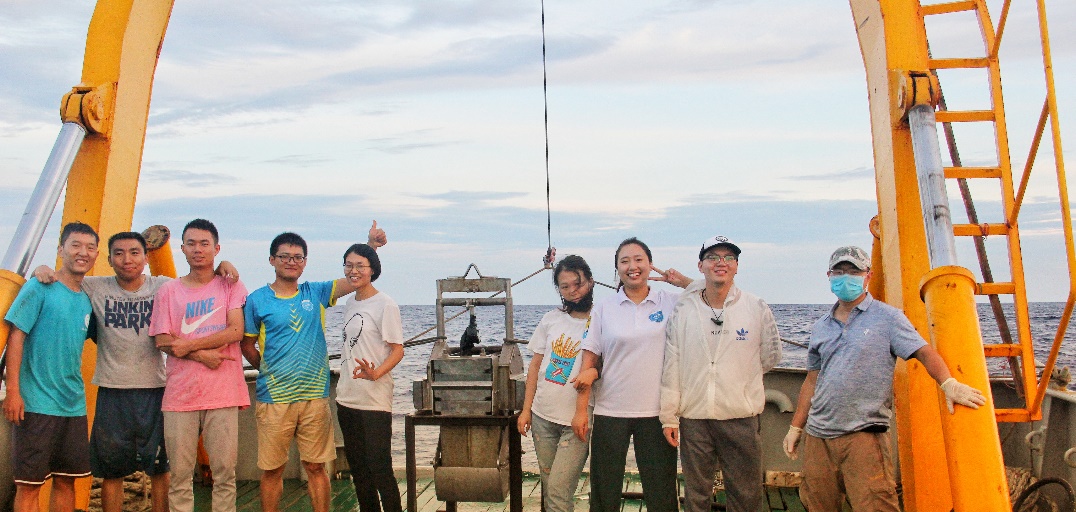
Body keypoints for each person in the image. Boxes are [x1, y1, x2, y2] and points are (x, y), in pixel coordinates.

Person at [32, 232, 239, 512]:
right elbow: (64, 279)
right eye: (118, 253)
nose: (126, 259)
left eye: (134, 252)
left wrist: (223, 264)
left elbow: (198, 279)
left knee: (161, 469)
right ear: (108, 259)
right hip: (112, 391)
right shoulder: (96, 287)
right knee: (112, 471)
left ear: (146, 258)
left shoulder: (164, 286)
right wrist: (41, 269)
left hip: (155, 390)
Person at [782, 246, 987, 511]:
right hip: (818, 436)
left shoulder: (888, 318)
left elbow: (924, 352)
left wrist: (949, 383)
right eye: (839, 271)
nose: (845, 277)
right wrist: (796, 428)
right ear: (829, 276)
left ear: (867, 276)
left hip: (864, 436)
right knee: (817, 504)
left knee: (876, 505)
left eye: (853, 271)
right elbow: (812, 380)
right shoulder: (821, 326)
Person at [240, 223, 386, 512]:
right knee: (272, 470)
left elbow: (354, 280)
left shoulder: (315, 292)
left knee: (316, 467)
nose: (291, 262)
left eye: (298, 257)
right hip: (274, 400)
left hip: (314, 398)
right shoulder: (257, 300)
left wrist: (371, 246)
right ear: (272, 260)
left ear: (305, 263)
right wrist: (268, 369)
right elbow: (247, 345)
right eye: (284, 256)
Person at [660, 236, 782, 512]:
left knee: (745, 494)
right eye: (713, 257)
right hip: (694, 418)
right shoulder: (684, 309)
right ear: (701, 265)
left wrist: (738, 381)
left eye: (728, 257)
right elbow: (672, 364)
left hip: (741, 418)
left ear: (737, 265)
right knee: (696, 495)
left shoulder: (755, 307)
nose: (721, 263)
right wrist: (668, 416)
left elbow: (771, 356)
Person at [574, 237, 690, 512]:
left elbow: (712, 295)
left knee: (661, 492)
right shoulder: (605, 307)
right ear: (617, 269)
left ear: (650, 264)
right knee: (604, 492)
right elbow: (589, 358)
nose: (632, 266)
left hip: (657, 412)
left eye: (639, 259)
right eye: (624, 261)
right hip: (610, 410)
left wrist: (682, 281)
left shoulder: (671, 302)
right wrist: (580, 410)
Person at [149, 219, 248, 512]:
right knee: (180, 476)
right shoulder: (168, 291)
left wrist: (190, 345)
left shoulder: (230, 285)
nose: (198, 249)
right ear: (182, 249)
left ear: (216, 249)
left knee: (225, 474)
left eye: (205, 243)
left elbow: (236, 331)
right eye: (191, 243)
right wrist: (201, 355)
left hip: (223, 393)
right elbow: (162, 340)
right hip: (180, 395)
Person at [3, 222, 99, 512]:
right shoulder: (39, 287)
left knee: (67, 481)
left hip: (73, 406)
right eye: (75, 245)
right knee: (29, 485)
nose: (83, 252)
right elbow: (16, 337)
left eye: (90, 247)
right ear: (60, 250)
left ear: (96, 255)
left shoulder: (87, 299)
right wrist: (13, 391)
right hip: (36, 404)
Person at [517, 255, 596, 512]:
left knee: (559, 492)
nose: (573, 291)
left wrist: (594, 372)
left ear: (591, 281)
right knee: (549, 487)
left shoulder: (601, 320)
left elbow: (610, 365)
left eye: (578, 283)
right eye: (565, 286)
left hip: (577, 421)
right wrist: (526, 410)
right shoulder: (551, 319)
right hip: (542, 417)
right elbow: (535, 367)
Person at [335, 243, 405, 512]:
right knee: (359, 471)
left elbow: (397, 350)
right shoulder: (350, 302)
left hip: (374, 400)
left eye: (360, 266)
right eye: (349, 265)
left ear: (372, 269)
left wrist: (376, 373)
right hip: (346, 397)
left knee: (380, 470)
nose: (353, 271)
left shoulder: (385, 304)